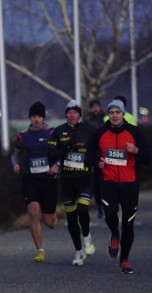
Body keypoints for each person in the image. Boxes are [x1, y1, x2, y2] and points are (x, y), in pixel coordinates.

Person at [92, 99, 151, 274]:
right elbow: (89, 152)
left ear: (123, 114)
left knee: (128, 224)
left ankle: (124, 259)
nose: (115, 116)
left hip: (130, 184)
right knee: (110, 214)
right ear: (108, 115)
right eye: (111, 113)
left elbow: (148, 157)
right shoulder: (100, 132)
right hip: (108, 182)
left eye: (118, 112)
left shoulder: (134, 132)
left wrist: (136, 151)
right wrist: (97, 161)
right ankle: (114, 234)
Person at [48, 100, 97, 266]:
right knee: (71, 217)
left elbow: (97, 151)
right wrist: (65, 148)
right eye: (69, 112)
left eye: (75, 112)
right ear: (66, 114)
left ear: (80, 114)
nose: (72, 115)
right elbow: (51, 153)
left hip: (85, 177)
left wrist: (91, 159)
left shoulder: (89, 130)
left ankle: (87, 236)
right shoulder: (59, 131)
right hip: (67, 179)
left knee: (83, 209)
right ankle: (78, 251)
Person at [11, 101, 57, 262]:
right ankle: (40, 250)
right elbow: (14, 154)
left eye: (39, 116)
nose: (36, 119)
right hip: (30, 179)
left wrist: (56, 165)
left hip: (48, 179)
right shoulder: (23, 135)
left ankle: (52, 218)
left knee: (48, 221)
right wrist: (15, 164)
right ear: (30, 117)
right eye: (33, 116)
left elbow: (60, 152)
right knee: (33, 212)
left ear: (43, 117)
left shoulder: (51, 133)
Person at [85, 99, 106, 219]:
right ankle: (99, 205)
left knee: (107, 179)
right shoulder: (87, 122)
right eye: (93, 107)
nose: (96, 109)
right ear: (90, 109)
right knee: (96, 182)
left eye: (97, 106)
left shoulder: (106, 119)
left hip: (105, 152)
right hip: (93, 153)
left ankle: (109, 203)